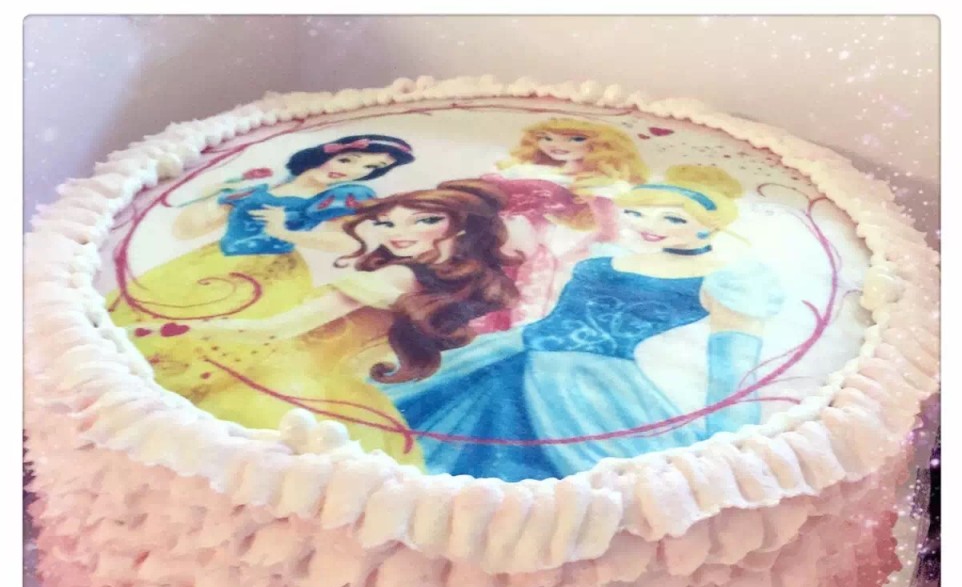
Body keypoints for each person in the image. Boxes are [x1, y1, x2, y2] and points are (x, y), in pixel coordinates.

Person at [383, 165, 785, 481]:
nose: (650, 227)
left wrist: (733, 444)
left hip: (590, 386)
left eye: (674, 219)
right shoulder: (605, 256)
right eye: (638, 214)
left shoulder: (728, 280)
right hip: (506, 355)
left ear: (711, 224)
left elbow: (734, 369)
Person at [123, 180, 519, 467]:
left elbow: (274, 329)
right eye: (387, 223)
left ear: (461, 227)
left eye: (424, 220)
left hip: (283, 384)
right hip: (339, 395)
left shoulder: (395, 277)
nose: (399, 234)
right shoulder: (443, 285)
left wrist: (184, 327)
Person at [107, 134, 415, 324]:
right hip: (205, 263)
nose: (352, 171)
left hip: (271, 274)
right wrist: (214, 195)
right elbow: (187, 231)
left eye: (369, 168)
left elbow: (349, 243)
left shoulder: (344, 196)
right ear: (324, 155)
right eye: (348, 159)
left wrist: (287, 233)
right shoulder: (256, 189)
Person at [472, 117, 650, 333]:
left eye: (576, 139)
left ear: (603, 144)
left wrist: (573, 253)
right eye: (546, 137)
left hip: (554, 247)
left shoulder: (601, 184)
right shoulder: (524, 171)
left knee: (533, 299)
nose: (557, 145)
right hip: (502, 245)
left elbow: (609, 230)